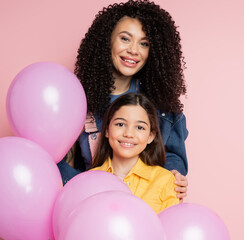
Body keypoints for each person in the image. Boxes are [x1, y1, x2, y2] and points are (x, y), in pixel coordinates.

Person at [57, 0, 189, 200]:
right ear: (107, 40)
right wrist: (86, 191)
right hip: (90, 209)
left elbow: (173, 154)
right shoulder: (77, 100)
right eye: (125, 39)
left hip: (146, 210)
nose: (133, 50)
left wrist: (173, 176)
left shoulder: (161, 104)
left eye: (144, 43)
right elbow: (61, 160)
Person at [91, 93, 179, 213]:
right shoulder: (90, 179)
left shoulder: (165, 181)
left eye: (139, 127)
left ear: (151, 136)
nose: (128, 134)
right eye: (120, 124)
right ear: (107, 130)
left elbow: (170, 228)